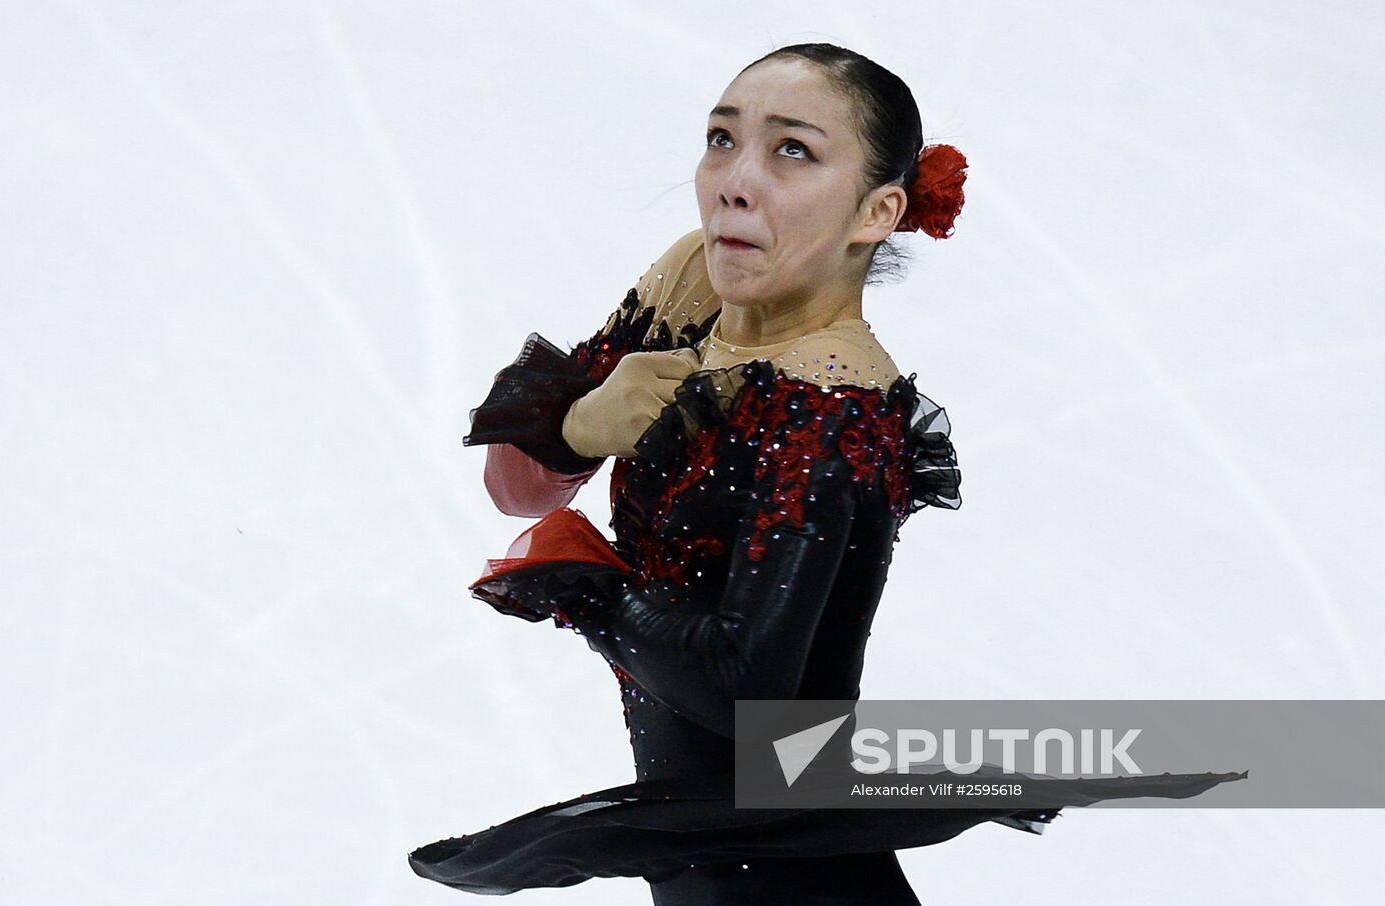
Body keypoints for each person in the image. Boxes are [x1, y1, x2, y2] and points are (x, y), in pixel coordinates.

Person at [408, 43, 1242, 904]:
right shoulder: (695, 283)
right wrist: (585, 424)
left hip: (786, 875)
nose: (735, 179)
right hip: (706, 859)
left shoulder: (833, 410)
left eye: (792, 151)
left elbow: (745, 689)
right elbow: (514, 485)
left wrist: (587, 589)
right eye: (721, 138)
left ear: (875, 212)